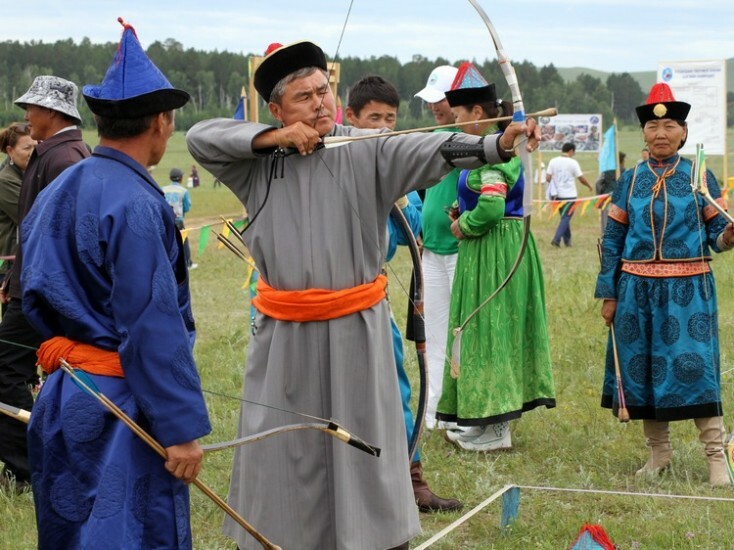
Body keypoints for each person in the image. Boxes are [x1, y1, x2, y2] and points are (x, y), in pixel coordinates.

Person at [186, 40, 538, 550]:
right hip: (285, 334)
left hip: (357, 329)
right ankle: (281, 537)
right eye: (303, 97)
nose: (320, 103)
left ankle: (377, 538)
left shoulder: (364, 146)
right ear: (277, 109)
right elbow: (201, 136)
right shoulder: (254, 162)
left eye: (323, 91)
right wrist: (275, 139)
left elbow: (433, 148)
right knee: (287, 445)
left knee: (365, 442)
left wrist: (498, 147)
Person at [21, 19, 211, 547]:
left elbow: (27, 288)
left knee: (70, 530)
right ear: (161, 121)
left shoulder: (61, 187)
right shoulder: (136, 205)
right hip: (120, 405)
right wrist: (178, 429)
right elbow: (150, 324)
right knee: (124, 532)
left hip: (65, 396)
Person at [595, 82, 733, 487]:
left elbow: (717, 234)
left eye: (670, 126)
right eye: (654, 128)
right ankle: (659, 454)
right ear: (644, 134)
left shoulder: (697, 175)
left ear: (683, 133)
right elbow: (613, 240)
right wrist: (608, 293)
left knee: (695, 369)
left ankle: (715, 458)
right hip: (635, 291)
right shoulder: (630, 179)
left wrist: (729, 236)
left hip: (689, 292)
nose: (661, 134)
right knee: (644, 372)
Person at [346, 74, 462, 513]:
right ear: (349, 119)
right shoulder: (321, 159)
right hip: (315, 305)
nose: (381, 128)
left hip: (367, 299)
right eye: (372, 118)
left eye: (389, 120)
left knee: (394, 388)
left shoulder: (389, 168)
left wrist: (394, 192)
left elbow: (409, 230)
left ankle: (411, 481)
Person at [437, 67, 555, 452]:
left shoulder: (495, 153)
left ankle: (497, 427)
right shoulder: (487, 147)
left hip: (496, 249)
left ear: (475, 112)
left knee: (492, 330)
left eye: (457, 116)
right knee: (481, 330)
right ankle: (484, 419)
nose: (454, 122)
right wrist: (460, 211)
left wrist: (463, 226)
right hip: (489, 249)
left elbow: (490, 207)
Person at [0, 75, 89, 489]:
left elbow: (67, 238)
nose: (26, 116)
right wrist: (13, 282)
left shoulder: (65, 158)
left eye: (31, 108)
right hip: (28, 289)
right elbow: (31, 232)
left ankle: (28, 468)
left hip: (45, 295)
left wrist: (35, 292)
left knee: (5, 369)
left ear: (52, 113)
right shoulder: (50, 152)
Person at [413, 64, 461, 430]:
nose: (434, 107)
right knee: (435, 331)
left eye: (440, 100)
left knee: (460, 330)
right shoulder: (434, 137)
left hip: (460, 248)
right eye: (430, 101)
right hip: (431, 248)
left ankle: (460, 408)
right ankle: (432, 412)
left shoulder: (467, 138)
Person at [0, 123, 36, 313]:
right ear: (10, 151)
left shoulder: (24, 175)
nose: (33, 152)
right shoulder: (5, 181)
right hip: (9, 266)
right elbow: (28, 216)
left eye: (35, 146)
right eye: (27, 147)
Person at [547, 142, 592, 247]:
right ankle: (556, 239)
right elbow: (580, 178)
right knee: (566, 218)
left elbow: (548, 178)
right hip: (570, 196)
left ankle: (568, 242)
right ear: (571, 151)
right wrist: (589, 185)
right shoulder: (573, 163)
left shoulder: (553, 161)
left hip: (557, 196)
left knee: (564, 218)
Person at [163, 166, 197, 269]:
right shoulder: (183, 191)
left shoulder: (163, 189)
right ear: (181, 178)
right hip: (178, 220)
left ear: (170, 177)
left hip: (164, 220)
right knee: (183, 241)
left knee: (165, 241)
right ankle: (188, 263)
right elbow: (187, 207)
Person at [596, 151, 626, 236]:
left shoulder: (606, 171)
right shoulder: (624, 171)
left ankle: (605, 232)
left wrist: (599, 194)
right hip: (620, 197)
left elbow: (598, 183)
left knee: (605, 215)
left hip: (606, 196)